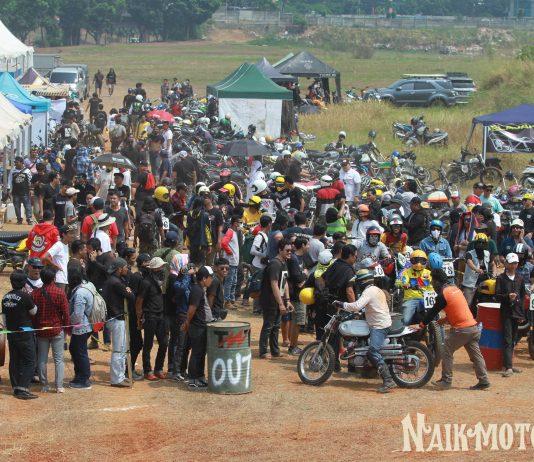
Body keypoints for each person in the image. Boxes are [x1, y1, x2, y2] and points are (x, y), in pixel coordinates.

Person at [419, 269, 490, 390]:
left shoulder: (443, 295)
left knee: (446, 349)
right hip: (473, 327)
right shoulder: (455, 289)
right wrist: (445, 319)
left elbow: (433, 312)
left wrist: (421, 324)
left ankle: (446, 380)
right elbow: (458, 308)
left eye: (433, 282)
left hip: (462, 329)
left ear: (437, 282)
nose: (432, 285)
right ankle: (484, 380)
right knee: (476, 355)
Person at [340, 269, 395, 393]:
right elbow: (371, 307)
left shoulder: (368, 291)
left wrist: (341, 304)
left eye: (358, 282)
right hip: (380, 322)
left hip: (379, 326)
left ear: (362, 281)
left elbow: (356, 306)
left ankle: (388, 380)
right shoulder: (375, 289)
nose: (357, 285)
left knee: (373, 351)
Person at [1, 270, 38, 399]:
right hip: (25, 334)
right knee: (30, 361)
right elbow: (34, 311)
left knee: (14, 360)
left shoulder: (5, 297)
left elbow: (4, 317)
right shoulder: (25, 296)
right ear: (24, 283)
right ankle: (22, 388)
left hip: (11, 333)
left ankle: (16, 387)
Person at [32, 266, 69, 393]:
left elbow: (33, 315)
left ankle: (44, 385)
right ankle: (59, 386)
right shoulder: (60, 292)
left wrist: (35, 327)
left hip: (41, 331)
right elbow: (65, 313)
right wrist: (67, 329)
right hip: (57, 329)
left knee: (42, 359)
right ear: (54, 278)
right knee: (58, 359)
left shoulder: (35, 294)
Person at [319, 244, 357, 370]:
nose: (356, 258)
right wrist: (355, 308)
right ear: (350, 256)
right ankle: (352, 366)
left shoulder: (335, 264)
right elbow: (349, 291)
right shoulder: (349, 270)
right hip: (344, 307)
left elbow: (321, 279)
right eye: (355, 256)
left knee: (333, 336)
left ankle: (334, 363)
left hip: (330, 305)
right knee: (351, 336)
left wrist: (327, 291)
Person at [259, 239, 293, 359]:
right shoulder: (275, 264)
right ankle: (263, 351)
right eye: (287, 250)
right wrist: (280, 303)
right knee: (268, 326)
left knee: (276, 326)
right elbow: (274, 284)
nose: (290, 252)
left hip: (279, 299)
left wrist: (287, 300)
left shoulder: (283, 263)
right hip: (270, 300)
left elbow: (284, 282)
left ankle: (275, 351)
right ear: (280, 250)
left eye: (291, 250)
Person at [181, 266, 215, 389]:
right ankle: (193, 380)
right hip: (197, 327)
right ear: (204, 278)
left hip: (202, 326)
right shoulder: (197, 290)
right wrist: (187, 323)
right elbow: (192, 309)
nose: (212, 280)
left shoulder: (200, 289)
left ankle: (200, 377)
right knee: (197, 353)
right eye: (210, 277)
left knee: (201, 353)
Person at [102, 258, 134, 387]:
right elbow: (131, 297)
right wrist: (129, 291)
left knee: (122, 349)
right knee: (118, 350)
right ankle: (116, 379)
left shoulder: (111, 280)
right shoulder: (116, 283)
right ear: (119, 269)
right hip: (117, 318)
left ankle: (120, 376)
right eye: (125, 267)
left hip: (114, 318)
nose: (127, 269)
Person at [137, 257, 169, 381]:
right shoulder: (146, 282)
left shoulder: (160, 281)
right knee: (148, 345)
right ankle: (147, 370)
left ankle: (158, 368)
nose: (162, 269)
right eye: (160, 267)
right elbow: (139, 301)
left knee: (164, 343)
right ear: (154, 269)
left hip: (160, 315)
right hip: (150, 316)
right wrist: (139, 318)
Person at [496, 253, 526, 378]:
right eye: (512, 263)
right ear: (506, 264)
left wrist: (521, 314)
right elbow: (497, 296)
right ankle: (508, 367)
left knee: (514, 339)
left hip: (516, 312)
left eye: (515, 263)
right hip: (506, 312)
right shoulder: (501, 278)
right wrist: (507, 297)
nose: (514, 266)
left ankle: (509, 364)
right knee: (508, 339)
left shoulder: (520, 278)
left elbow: (522, 296)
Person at [462, 233, 496, 311]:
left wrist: (494, 274)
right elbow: (469, 262)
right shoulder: (469, 253)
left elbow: (493, 264)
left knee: (485, 302)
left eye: (483, 243)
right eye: (479, 242)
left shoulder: (487, 253)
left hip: (484, 282)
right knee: (467, 304)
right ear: (475, 243)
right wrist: (477, 269)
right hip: (470, 283)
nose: (481, 244)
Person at [399, 249, 434, 325]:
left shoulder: (429, 273)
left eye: (422, 260)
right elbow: (403, 281)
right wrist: (406, 284)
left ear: (425, 261)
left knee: (435, 315)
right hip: (411, 299)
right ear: (411, 261)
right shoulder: (407, 272)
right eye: (416, 260)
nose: (419, 263)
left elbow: (433, 285)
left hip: (426, 298)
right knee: (406, 321)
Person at [287, 237, 308, 355]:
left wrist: (303, 275)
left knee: (295, 320)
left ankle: (292, 343)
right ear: (303, 245)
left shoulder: (300, 258)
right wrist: (305, 275)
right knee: (298, 321)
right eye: (307, 244)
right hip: (297, 295)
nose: (309, 247)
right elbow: (297, 278)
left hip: (299, 293)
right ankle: (293, 346)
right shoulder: (294, 259)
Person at [41, 224, 77, 291]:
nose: (73, 235)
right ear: (63, 234)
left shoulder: (66, 245)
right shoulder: (58, 245)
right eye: (70, 233)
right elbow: (44, 257)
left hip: (65, 279)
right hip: (59, 279)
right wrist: (54, 265)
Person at [221, 215, 242, 310]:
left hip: (234, 262)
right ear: (235, 223)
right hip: (231, 261)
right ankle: (227, 301)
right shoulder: (230, 232)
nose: (240, 224)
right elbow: (224, 243)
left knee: (234, 282)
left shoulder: (234, 232)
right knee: (229, 282)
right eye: (239, 222)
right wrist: (230, 252)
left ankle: (232, 300)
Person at [8, 156, 32, 225]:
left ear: (21, 163)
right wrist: (8, 189)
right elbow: (9, 180)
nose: (15, 163)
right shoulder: (12, 171)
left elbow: (30, 181)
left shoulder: (27, 171)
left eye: (17, 162)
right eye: (15, 162)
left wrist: (30, 190)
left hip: (25, 192)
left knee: (27, 206)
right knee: (16, 207)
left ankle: (29, 219)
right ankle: (19, 219)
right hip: (15, 192)